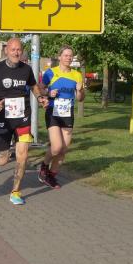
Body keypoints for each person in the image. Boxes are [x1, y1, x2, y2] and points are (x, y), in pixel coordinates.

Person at [0, 37, 48, 205]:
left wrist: (40, 98)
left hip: (22, 117)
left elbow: (33, 86)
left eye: (19, 50)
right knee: (3, 160)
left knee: (23, 155)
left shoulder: (26, 69)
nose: (16, 53)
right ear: (6, 51)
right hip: (3, 117)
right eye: (13, 49)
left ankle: (16, 191)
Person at [38, 45, 84, 189]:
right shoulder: (51, 72)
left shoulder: (77, 75)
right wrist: (48, 93)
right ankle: (44, 165)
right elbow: (40, 88)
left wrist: (79, 90)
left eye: (70, 56)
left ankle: (51, 176)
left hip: (67, 113)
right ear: (59, 57)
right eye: (66, 55)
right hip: (53, 111)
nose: (68, 58)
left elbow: (80, 98)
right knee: (57, 147)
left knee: (63, 150)